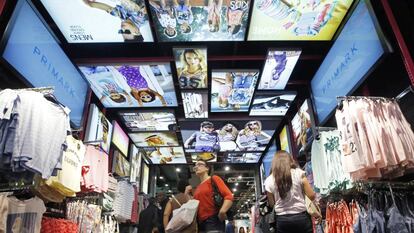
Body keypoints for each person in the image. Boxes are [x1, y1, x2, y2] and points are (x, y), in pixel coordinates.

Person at [264, 151, 316, 233]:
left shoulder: (269, 180)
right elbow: (311, 195)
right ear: (290, 160)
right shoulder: (299, 173)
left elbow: (272, 203)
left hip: (282, 220)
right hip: (301, 217)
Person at [193, 160, 233, 233]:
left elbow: (229, 195)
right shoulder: (197, 187)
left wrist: (222, 211)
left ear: (207, 168)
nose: (196, 167)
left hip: (213, 220)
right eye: (195, 166)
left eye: (199, 164)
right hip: (200, 223)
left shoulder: (213, 179)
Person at [82, 0, 147, 42]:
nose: (122, 28)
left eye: (121, 31)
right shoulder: (142, 18)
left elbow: (92, 5)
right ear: (137, 31)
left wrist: (88, 3)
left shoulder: (122, 17)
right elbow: (129, 4)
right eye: (127, 31)